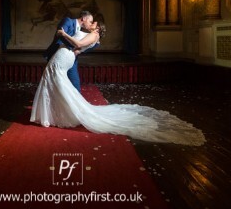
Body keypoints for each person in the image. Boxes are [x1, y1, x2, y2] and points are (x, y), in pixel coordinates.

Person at [31, 22, 206, 146]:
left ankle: (63, 112)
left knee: (57, 82)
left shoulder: (93, 35)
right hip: (66, 56)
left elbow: (77, 44)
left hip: (65, 56)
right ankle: (57, 112)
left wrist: (63, 34)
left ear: (98, 28)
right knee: (55, 82)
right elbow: (77, 47)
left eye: (94, 23)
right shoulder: (92, 34)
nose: (91, 23)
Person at [43, 10, 97, 92]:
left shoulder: (82, 31)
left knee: (75, 82)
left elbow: (90, 44)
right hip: (59, 55)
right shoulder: (68, 21)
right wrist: (74, 46)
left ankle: (76, 101)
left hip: (72, 57)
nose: (90, 24)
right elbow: (60, 35)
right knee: (54, 81)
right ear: (84, 18)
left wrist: (79, 50)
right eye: (90, 21)